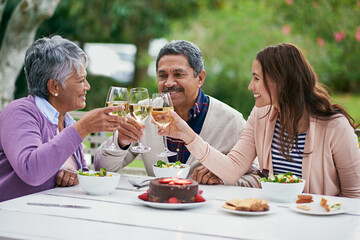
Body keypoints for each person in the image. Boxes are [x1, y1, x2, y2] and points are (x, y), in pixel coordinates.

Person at [156, 43, 360, 198]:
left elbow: (355, 195)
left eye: (256, 78)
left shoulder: (335, 126)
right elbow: (232, 169)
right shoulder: (261, 116)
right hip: (273, 221)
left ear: (280, 81)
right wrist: (187, 135)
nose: (250, 86)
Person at [95, 40, 260, 187]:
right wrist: (121, 141)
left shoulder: (231, 120)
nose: (168, 82)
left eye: (178, 74)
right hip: (155, 207)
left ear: (200, 78)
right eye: (162, 75)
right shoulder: (143, 113)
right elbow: (101, 169)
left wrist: (222, 179)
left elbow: (259, 178)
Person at [0, 35, 123, 202]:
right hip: (15, 219)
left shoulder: (66, 121)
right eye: (81, 80)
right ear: (54, 86)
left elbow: (81, 174)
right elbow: (31, 170)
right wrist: (83, 127)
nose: (87, 87)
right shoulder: (20, 112)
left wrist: (75, 177)